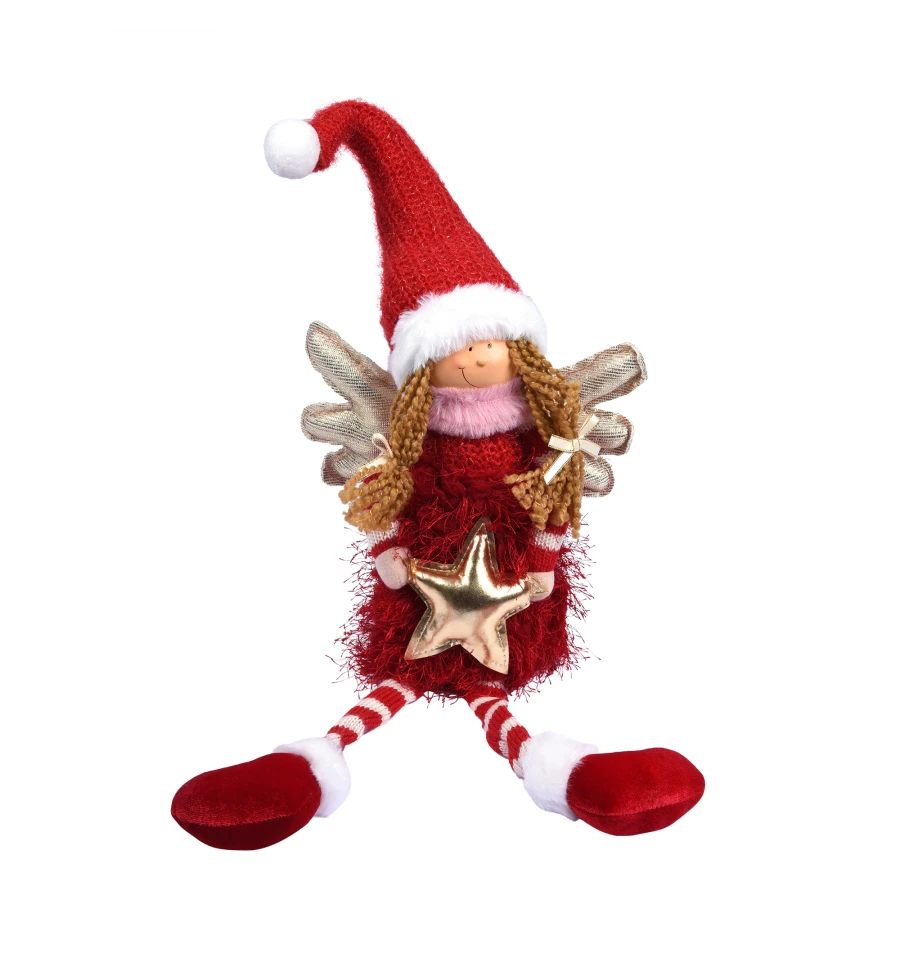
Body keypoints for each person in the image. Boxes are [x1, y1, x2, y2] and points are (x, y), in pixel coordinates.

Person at [171, 100, 704, 850]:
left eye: (493, 341)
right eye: (456, 347)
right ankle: (312, 764)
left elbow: (553, 499)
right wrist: (392, 550)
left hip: (515, 599)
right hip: (422, 588)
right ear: (420, 367)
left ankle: (567, 774)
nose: (478, 357)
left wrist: (542, 563)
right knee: (402, 678)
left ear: (521, 348)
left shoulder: (543, 428)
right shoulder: (410, 436)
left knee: (491, 691)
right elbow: (387, 489)